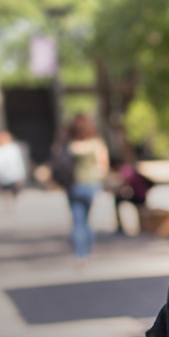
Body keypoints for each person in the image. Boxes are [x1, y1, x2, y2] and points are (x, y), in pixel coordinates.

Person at [64, 114, 109, 266]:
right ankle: (88, 249)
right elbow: (103, 165)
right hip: (90, 185)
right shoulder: (96, 144)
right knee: (86, 219)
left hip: (73, 185)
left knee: (78, 221)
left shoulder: (69, 144)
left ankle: (80, 254)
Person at [0, 131, 29, 214]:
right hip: (0, 175)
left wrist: (21, 174)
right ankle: (5, 206)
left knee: (13, 191)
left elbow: (18, 162)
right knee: (3, 192)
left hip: (13, 174)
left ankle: (12, 206)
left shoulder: (13, 148)